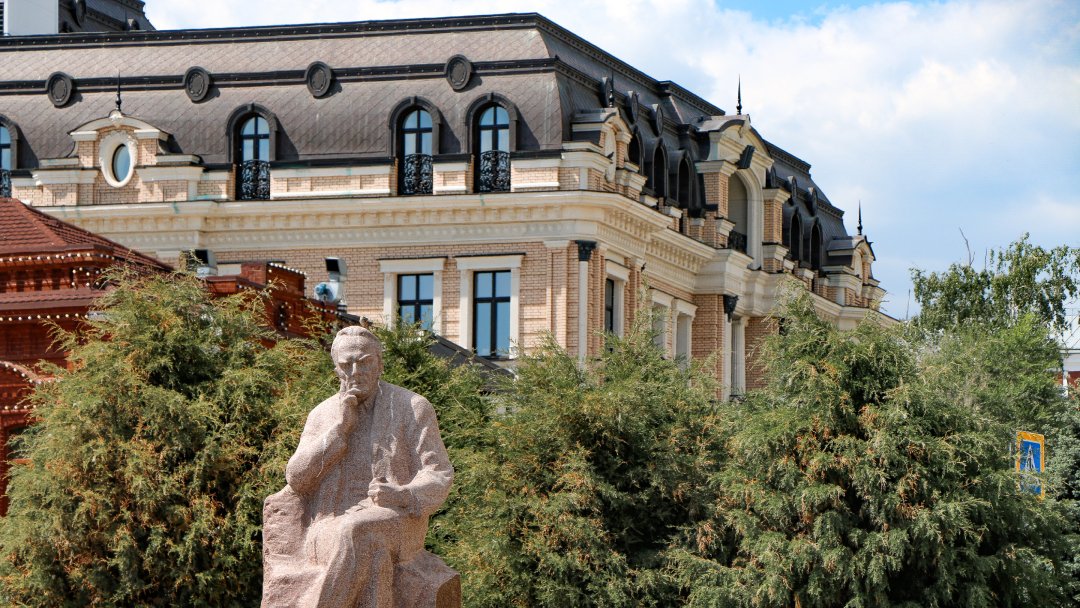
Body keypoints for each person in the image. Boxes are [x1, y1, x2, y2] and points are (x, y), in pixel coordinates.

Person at [262, 326, 454, 608]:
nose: (355, 371)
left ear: (380, 364)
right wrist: (339, 430)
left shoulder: (412, 407)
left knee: (358, 530)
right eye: (346, 365)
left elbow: (439, 473)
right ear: (336, 369)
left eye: (364, 362)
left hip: (399, 521)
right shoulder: (323, 414)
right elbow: (297, 479)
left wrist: (403, 494)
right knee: (373, 553)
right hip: (327, 527)